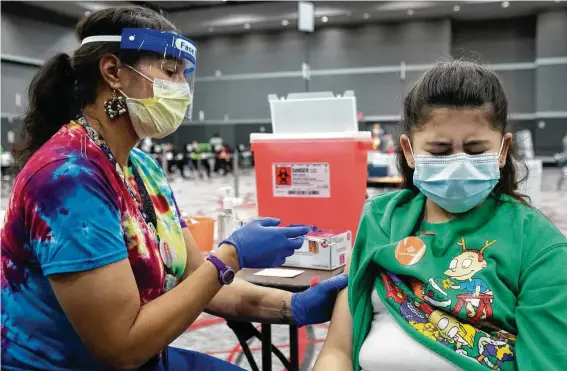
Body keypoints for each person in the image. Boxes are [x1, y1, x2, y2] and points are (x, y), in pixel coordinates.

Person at [1, 7, 347, 371]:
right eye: (169, 73)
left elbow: (203, 281)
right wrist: (230, 256)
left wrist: (292, 306)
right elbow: (122, 349)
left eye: (184, 76)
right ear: (113, 72)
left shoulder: (143, 169)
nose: (180, 89)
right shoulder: (68, 178)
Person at [315, 61, 567, 371]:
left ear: (502, 150)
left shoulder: (537, 243)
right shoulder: (383, 219)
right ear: (409, 151)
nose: (458, 163)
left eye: (475, 150)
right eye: (439, 151)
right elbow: (338, 350)